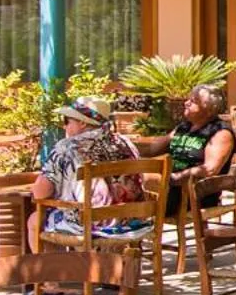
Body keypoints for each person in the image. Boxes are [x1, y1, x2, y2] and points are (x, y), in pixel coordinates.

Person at [25, 97, 146, 249]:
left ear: (82, 123)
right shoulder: (125, 142)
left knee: (36, 220)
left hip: (93, 224)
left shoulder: (67, 147)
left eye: (67, 121)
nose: (64, 126)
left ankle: (53, 271)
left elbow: (41, 194)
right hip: (132, 221)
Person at [134, 85, 236, 217]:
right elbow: (151, 150)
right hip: (170, 188)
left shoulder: (220, 132)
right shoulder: (184, 127)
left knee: (137, 180)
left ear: (209, 108)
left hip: (194, 195)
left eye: (193, 101)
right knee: (124, 180)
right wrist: (122, 145)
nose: (186, 103)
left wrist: (175, 178)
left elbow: (210, 169)